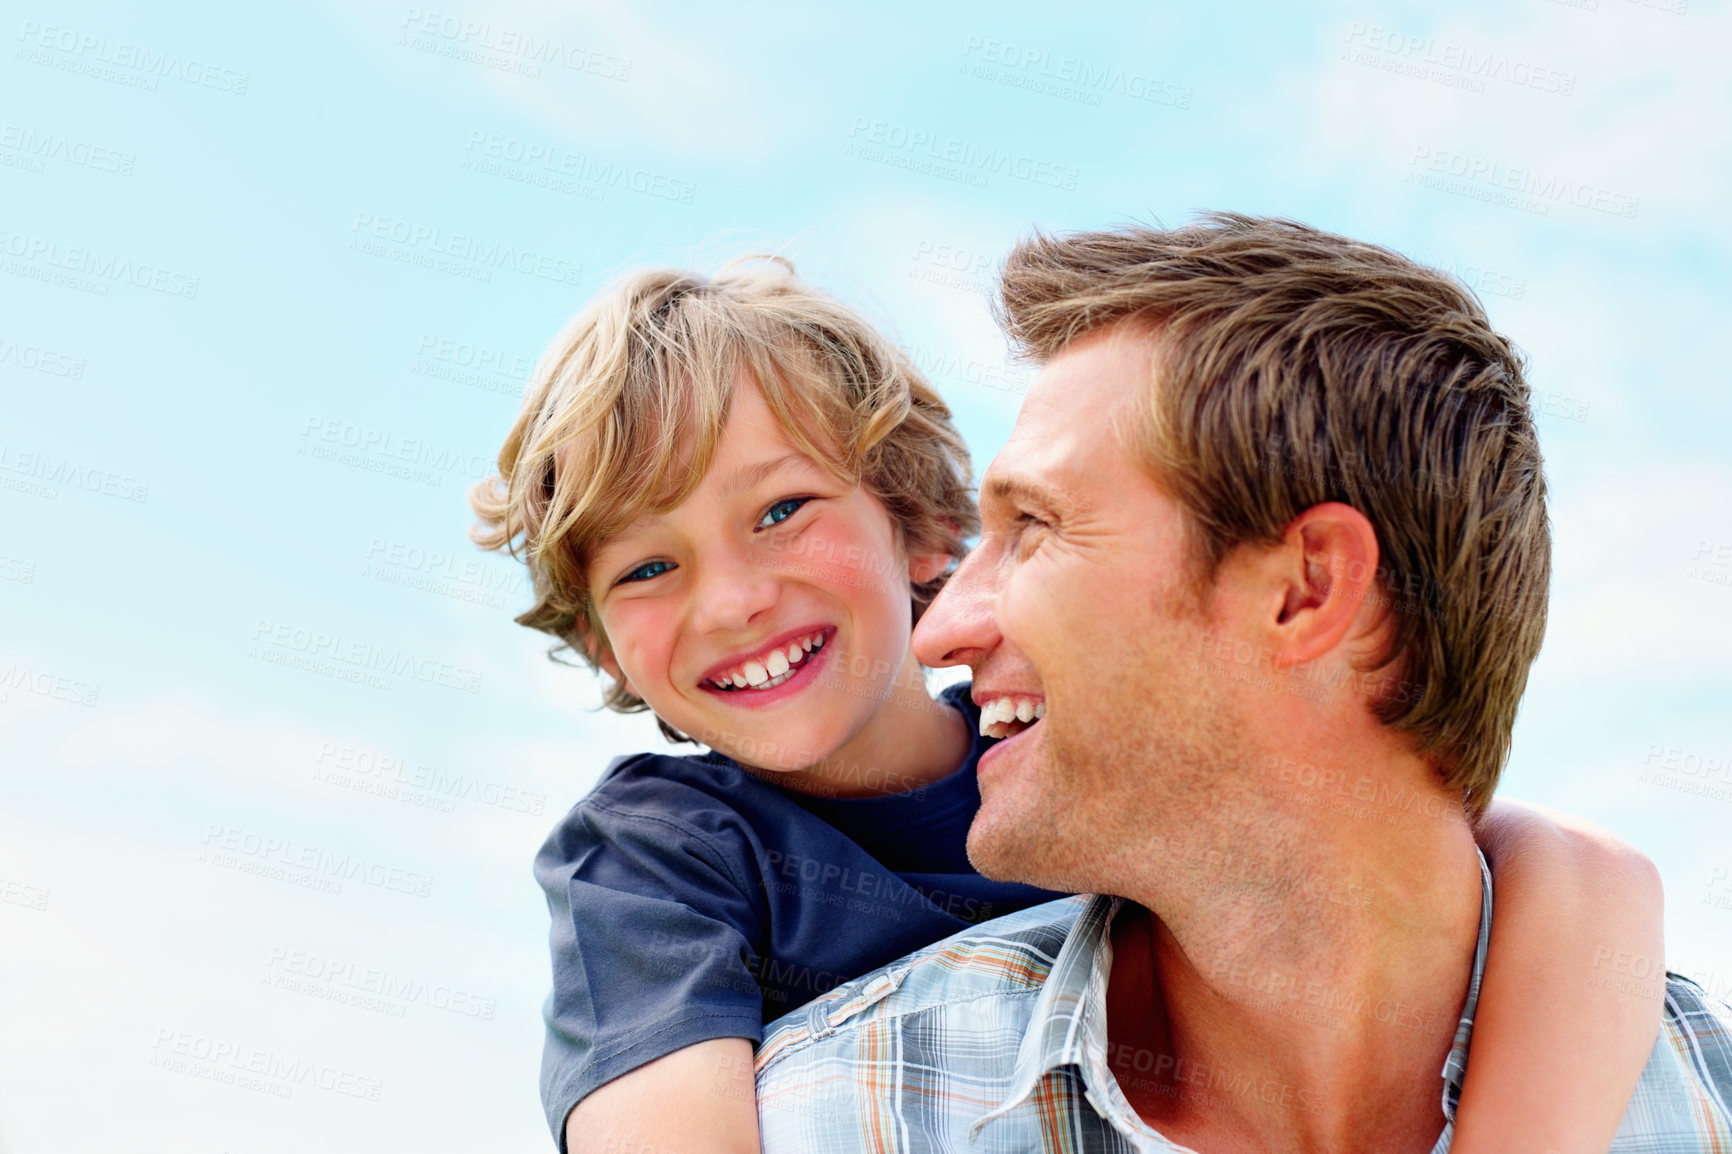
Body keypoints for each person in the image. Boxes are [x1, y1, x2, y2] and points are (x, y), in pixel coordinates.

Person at [471, 256, 1669, 1154]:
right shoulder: (655, 852)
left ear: (924, 524)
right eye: (644, 566)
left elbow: (1556, 871)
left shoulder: (1076, 761)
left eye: (780, 510)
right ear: (601, 643)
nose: (730, 597)